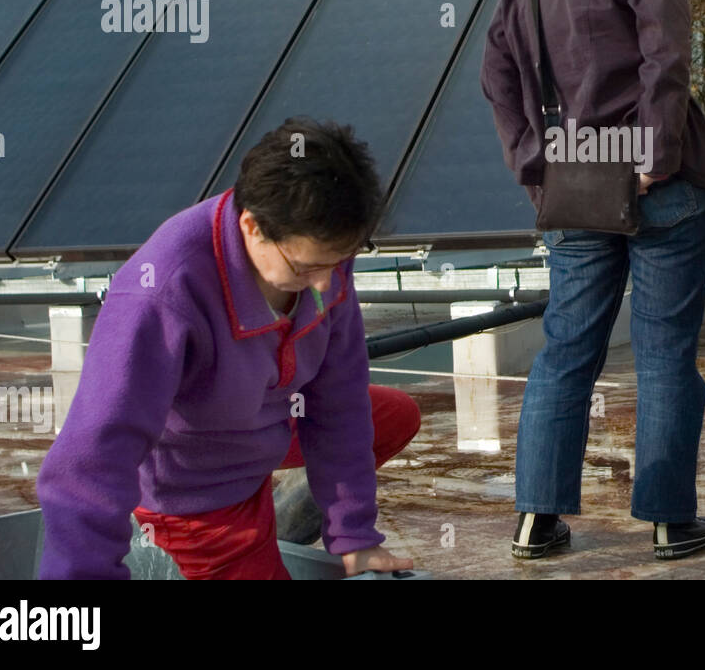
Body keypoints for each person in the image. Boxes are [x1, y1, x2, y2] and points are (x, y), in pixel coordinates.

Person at [480, 0, 705, 560]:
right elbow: (666, 61)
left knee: (565, 351)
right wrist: (654, 153)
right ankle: (668, 521)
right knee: (664, 353)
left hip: (572, 181)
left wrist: (534, 163)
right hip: (660, 185)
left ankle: (536, 519)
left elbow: (496, 75)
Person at [37, 118, 422, 579]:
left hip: (264, 419)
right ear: (252, 227)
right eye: (306, 268)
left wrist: (355, 535)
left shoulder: (324, 251)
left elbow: (338, 400)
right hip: (195, 486)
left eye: (338, 263)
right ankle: (236, 536)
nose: (326, 283)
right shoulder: (163, 290)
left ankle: (274, 524)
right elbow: (94, 454)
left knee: (391, 415)